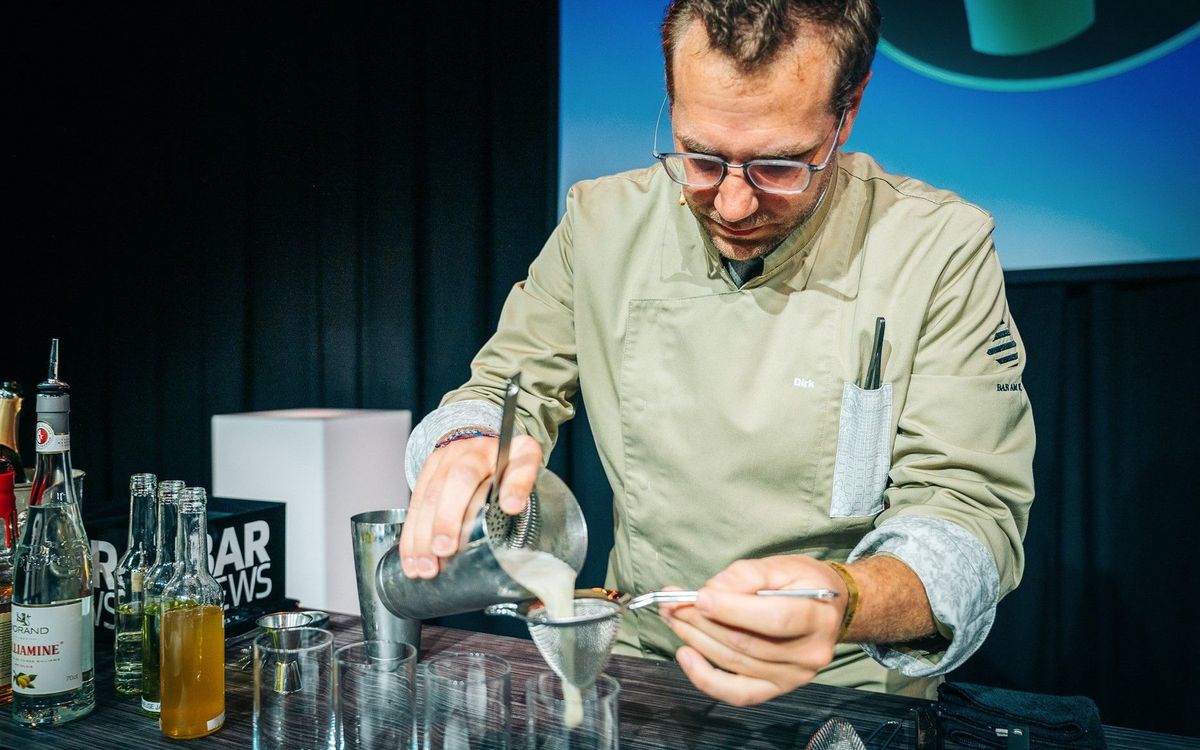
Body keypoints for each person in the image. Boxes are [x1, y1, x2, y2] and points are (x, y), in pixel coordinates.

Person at [398, 0, 1035, 705]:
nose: (732, 205)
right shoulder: (601, 223)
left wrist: (846, 599)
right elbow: (501, 391)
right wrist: (466, 444)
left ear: (848, 111)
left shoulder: (937, 249)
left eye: (778, 167)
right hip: (644, 664)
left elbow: (968, 519)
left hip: (844, 684)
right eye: (700, 158)